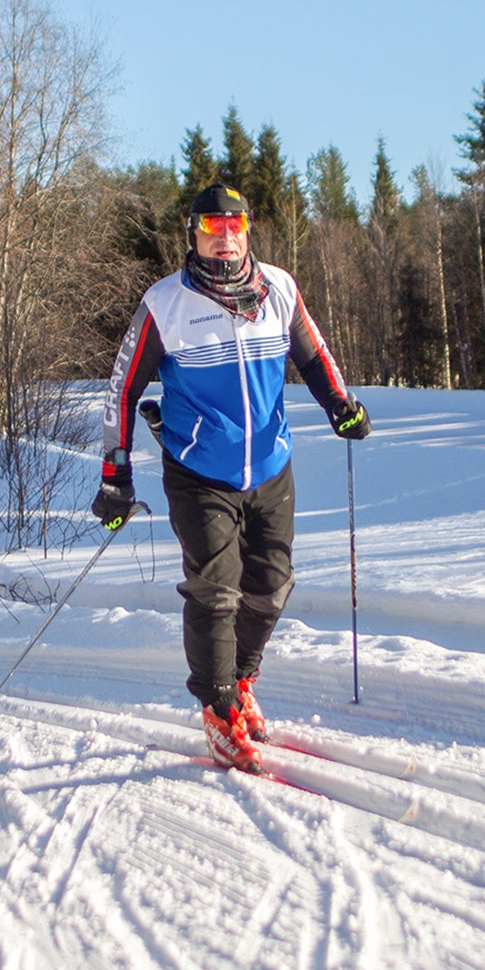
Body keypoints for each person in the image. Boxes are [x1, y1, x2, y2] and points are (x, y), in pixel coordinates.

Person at [92, 183, 370, 773]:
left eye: (235, 226)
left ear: (248, 230)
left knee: (271, 585)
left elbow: (314, 356)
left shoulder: (279, 291)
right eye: (212, 227)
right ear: (192, 235)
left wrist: (340, 404)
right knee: (216, 588)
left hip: (271, 464)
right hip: (199, 470)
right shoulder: (165, 304)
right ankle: (218, 710)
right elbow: (123, 387)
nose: (225, 238)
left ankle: (241, 681)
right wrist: (115, 473)